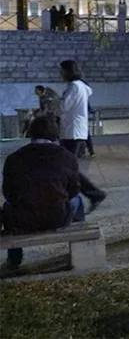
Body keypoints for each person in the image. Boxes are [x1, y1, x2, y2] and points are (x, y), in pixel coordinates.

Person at [0, 116, 85, 273]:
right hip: (57, 217)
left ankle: (14, 258)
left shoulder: (14, 158)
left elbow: (8, 193)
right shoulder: (66, 156)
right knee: (78, 200)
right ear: (55, 134)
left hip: (22, 220)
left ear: (31, 133)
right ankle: (80, 240)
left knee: (7, 206)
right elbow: (74, 189)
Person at [59, 60, 92, 157]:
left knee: (68, 160)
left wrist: (57, 101)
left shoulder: (74, 87)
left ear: (68, 71)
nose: (61, 74)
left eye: (62, 71)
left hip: (72, 130)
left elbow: (64, 106)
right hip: (78, 130)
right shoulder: (81, 86)